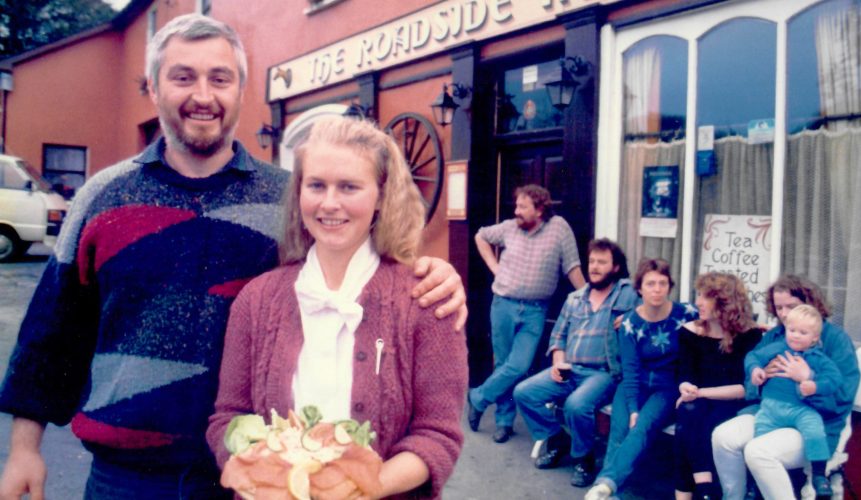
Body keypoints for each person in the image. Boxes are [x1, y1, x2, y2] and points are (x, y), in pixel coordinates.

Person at [0, 14, 465, 500]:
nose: (203, 95)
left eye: (220, 78)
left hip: (248, 478)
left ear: (241, 91)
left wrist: (434, 272)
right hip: (125, 477)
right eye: (183, 77)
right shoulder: (102, 197)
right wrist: (24, 449)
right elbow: (51, 333)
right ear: (154, 89)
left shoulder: (289, 199)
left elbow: (359, 261)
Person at [206, 116, 468, 498]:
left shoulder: (426, 300)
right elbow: (227, 419)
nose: (330, 203)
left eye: (349, 187)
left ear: (380, 196)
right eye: (316, 185)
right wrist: (262, 480)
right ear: (299, 194)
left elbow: (437, 436)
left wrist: (358, 489)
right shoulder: (257, 300)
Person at [711, 275, 860, 500]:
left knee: (758, 451)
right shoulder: (776, 336)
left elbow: (841, 398)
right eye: (779, 307)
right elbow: (750, 386)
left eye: (791, 306)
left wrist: (806, 380)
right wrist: (762, 378)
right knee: (723, 437)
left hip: (816, 423)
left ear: (810, 303)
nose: (785, 314)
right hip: (772, 413)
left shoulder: (836, 340)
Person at [513, 238, 638, 488]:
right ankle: (557, 439)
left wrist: (631, 318)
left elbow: (648, 316)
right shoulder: (574, 298)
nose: (594, 266)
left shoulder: (629, 293)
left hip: (603, 373)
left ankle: (584, 459)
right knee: (524, 393)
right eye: (592, 261)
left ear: (615, 267)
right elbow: (558, 337)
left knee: (576, 405)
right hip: (570, 369)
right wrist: (559, 363)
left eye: (602, 262)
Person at [467, 184, 585, 444]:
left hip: (535, 310)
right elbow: (481, 236)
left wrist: (588, 296)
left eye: (523, 207)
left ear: (540, 209)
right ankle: (504, 422)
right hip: (503, 304)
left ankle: (477, 397)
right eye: (516, 206)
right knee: (504, 364)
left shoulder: (559, 229)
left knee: (518, 365)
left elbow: (572, 266)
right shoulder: (509, 227)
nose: (516, 211)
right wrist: (494, 267)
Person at [585, 258, 699, 500]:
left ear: (670, 286)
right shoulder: (629, 323)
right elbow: (630, 370)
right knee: (619, 431)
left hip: (666, 387)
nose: (657, 289)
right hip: (634, 385)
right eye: (650, 284)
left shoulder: (686, 313)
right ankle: (612, 494)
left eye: (662, 283)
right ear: (639, 289)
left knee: (642, 426)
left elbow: (719, 320)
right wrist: (632, 405)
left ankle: (606, 484)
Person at [673, 272, 763, 500]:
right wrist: (686, 387)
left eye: (705, 297)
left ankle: (702, 493)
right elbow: (684, 372)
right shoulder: (690, 332)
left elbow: (745, 389)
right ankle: (705, 490)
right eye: (698, 295)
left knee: (692, 424)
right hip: (698, 403)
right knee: (688, 413)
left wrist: (699, 393)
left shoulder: (749, 336)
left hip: (734, 404)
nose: (698, 302)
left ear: (724, 302)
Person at [744, 305, 841, 498]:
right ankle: (755, 485)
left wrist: (814, 385)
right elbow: (753, 356)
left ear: (814, 338)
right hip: (770, 408)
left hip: (800, 408)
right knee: (758, 439)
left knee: (814, 428)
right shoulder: (778, 347)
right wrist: (755, 370)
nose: (795, 336)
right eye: (792, 330)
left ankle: (819, 475)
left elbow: (834, 379)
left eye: (803, 332)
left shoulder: (818, 358)